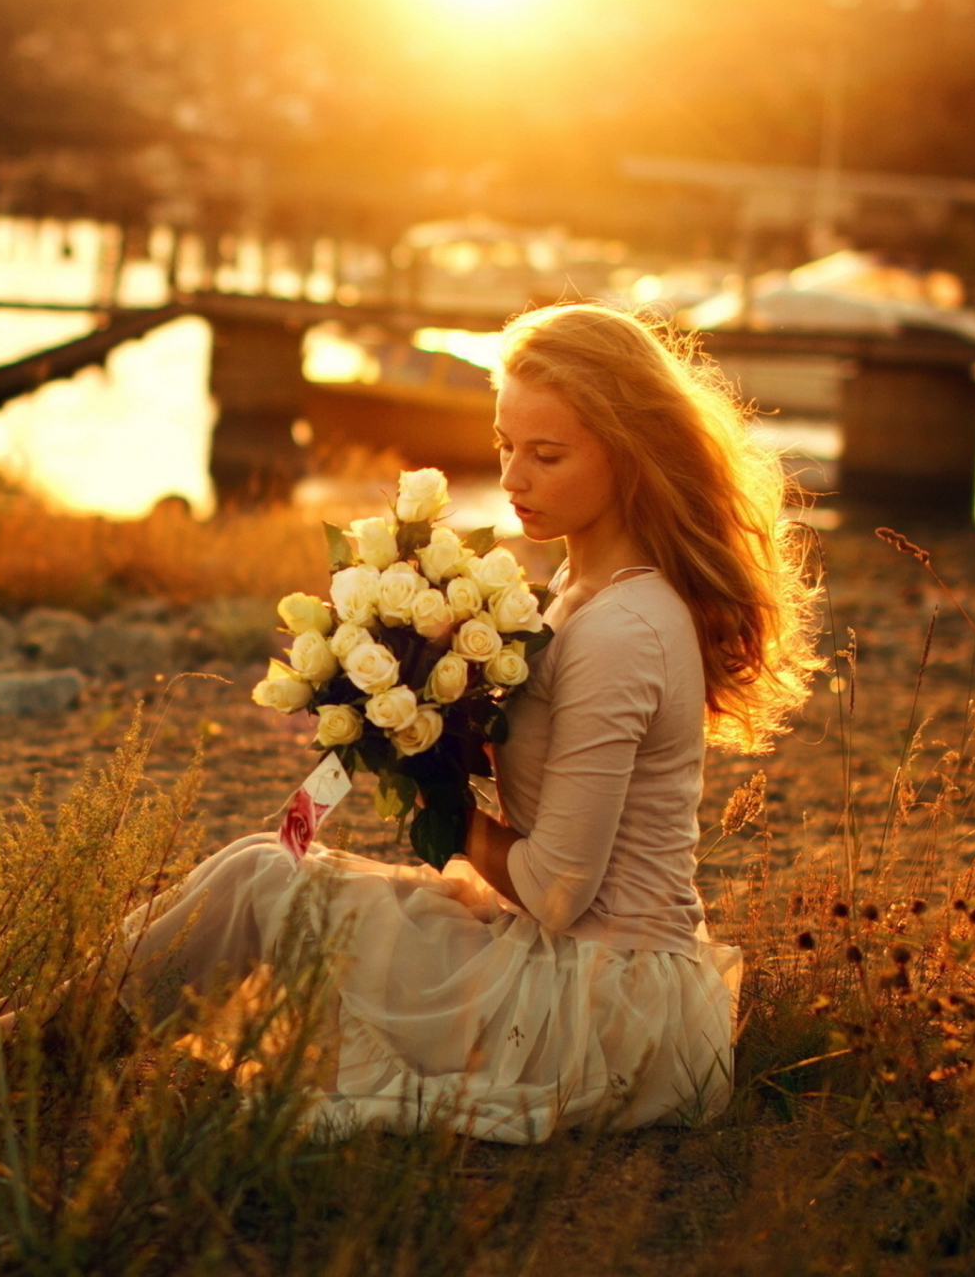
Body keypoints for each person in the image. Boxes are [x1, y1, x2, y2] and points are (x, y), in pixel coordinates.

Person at [113, 303, 820, 1143]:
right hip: (576, 968)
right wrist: (408, 705)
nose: (514, 477)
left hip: (596, 1009)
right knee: (259, 864)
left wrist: (435, 803)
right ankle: (39, 1036)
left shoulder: (624, 628)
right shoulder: (581, 591)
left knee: (267, 882)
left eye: (546, 454)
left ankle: (29, 1053)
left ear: (630, 456)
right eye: (504, 445)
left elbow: (559, 890)